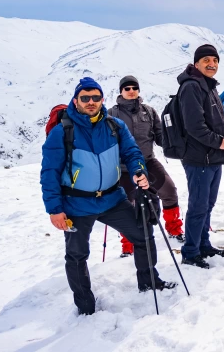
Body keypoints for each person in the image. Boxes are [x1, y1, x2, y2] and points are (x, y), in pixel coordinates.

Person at [40, 77, 174, 316]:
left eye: (95, 97)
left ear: (102, 99)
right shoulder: (62, 132)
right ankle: (85, 306)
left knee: (142, 233)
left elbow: (132, 152)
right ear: (76, 100)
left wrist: (139, 171)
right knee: (77, 255)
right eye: (85, 98)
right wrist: (54, 209)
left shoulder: (114, 126)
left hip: (112, 199)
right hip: (76, 204)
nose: (91, 102)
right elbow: (49, 173)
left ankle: (149, 281)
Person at [176, 44, 224, 269]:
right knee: (198, 205)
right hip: (199, 158)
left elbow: (218, 120)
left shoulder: (208, 86)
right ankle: (190, 251)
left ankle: (203, 244)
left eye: (215, 60)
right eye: (206, 60)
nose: (211, 64)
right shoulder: (192, 87)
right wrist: (222, 142)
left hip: (212, 157)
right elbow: (195, 127)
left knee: (208, 204)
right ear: (196, 64)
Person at [109, 75, 185, 258]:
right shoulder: (111, 114)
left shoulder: (149, 112)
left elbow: (160, 137)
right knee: (126, 204)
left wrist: (177, 140)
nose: (131, 91)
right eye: (126, 88)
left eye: (134, 87)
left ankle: (174, 229)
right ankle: (128, 244)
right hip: (123, 167)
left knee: (169, 190)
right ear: (121, 91)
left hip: (148, 161)